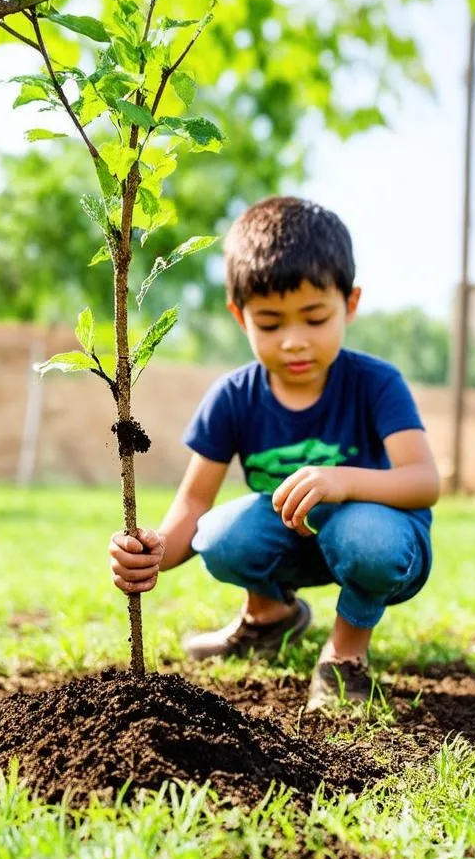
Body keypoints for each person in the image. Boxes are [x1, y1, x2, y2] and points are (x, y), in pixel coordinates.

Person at [108, 196, 440, 711]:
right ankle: (269, 617)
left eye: (314, 318)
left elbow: (424, 481)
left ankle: (346, 654)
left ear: (349, 304)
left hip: (378, 539)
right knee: (217, 535)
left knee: (366, 539)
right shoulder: (234, 396)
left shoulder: (376, 383)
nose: (293, 342)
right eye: (269, 324)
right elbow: (193, 507)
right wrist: (150, 550)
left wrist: (343, 482)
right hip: (293, 538)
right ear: (240, 317)